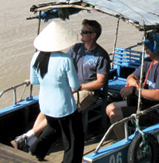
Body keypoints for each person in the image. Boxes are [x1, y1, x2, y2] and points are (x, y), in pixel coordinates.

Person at [12, 19, 110, 153]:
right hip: (70, 86)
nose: (81, 34)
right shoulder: (76, 49)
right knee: (48, 108)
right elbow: (60, 65)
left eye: (84, 32)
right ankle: (32, 137)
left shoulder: (101, 55)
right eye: (81, 31)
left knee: (62, 108)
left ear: (93, 35)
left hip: (87, 91)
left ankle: (27, 137)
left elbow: (100, 82)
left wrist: (80, 87)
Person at [27, 20, 83, 163]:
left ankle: (34, 152)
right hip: (64, 107)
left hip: (46, 104)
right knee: (73, 139)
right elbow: (75, 86)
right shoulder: (65, 60)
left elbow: (34, 81)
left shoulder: (36, 57)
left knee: (53, 129)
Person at [106, 47, 159, 139]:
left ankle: (124, 144)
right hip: (144, 103)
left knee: (115, 114)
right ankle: (125, 136)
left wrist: (135, 91)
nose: (145, 48)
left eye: (149, 46)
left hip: (158, 110)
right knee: (110, 108)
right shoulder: (149, 62)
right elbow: (131, 76)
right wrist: (134, 83)